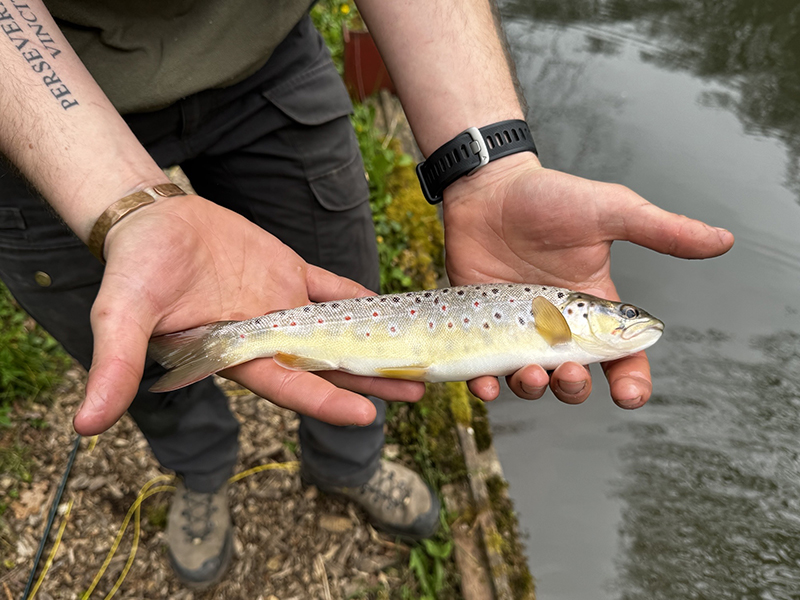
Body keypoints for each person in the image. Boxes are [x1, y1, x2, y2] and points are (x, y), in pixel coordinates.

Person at [0, 0, 734, 589]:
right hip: (29, 102)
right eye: (622, 317)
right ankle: (200, 473)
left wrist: (494, 169)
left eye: (624, 317)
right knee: (133, 338)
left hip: (268, 57)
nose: (630, 322)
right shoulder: (553, 316)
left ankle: (348, 465)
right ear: (578, 316)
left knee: (337, 276)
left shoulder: (556, 319)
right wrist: (123, 203)